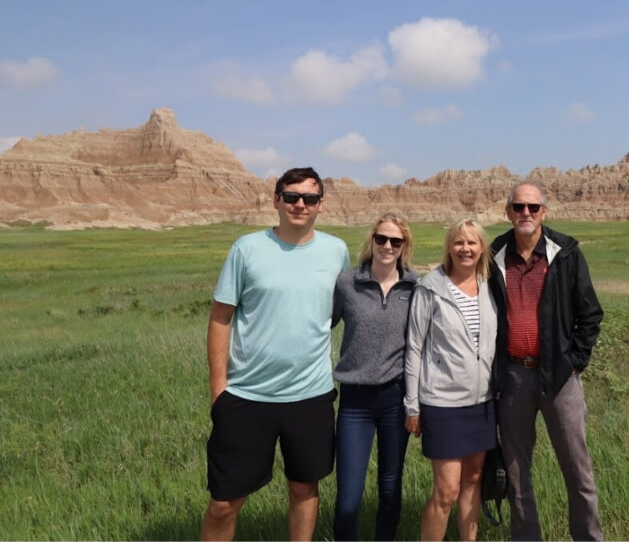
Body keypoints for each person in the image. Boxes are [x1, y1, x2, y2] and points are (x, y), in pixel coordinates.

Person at [201, 167, 350, 541]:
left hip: (310, 397)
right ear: (276, 201)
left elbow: (338, 312)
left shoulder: (336, 251)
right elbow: (221, 317)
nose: (300, 204)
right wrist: (219, 388)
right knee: (224, 502)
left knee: (303, 489)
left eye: (310, 198)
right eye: (291, 196)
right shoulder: (247, 249)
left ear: (321, 205)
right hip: (247, 395)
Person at [488, 182, 605, 541]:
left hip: (559, 378)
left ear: (544, 212)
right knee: (517, 469)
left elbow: (590, 313)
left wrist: (575, 362)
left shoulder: (565, 252)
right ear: (508, 211)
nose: (526, 213)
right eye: (519, 207)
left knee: (578, 469)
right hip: (513, 376)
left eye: (533, 207)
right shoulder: (493, 254)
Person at [404, 218, 499, 542]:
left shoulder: (490, 287)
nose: (465, 249)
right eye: (458, 242)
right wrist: (412, 405)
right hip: (442, 403)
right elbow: (415, 347)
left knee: (473, 482)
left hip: (483, 402)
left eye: (472, 242)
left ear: (482, 247)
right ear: (448, 247)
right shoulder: (430, 288)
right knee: (446, 490)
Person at [331, 214, 418, 541]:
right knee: (349, 498)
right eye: (382, 238)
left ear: (404, 246)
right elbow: (320, 324)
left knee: (390, 489)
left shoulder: (415, 286)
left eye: (396, 241)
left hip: (396, 399)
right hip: (355, 400)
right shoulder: (347, 282)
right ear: (372, 240)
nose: (387, 246)